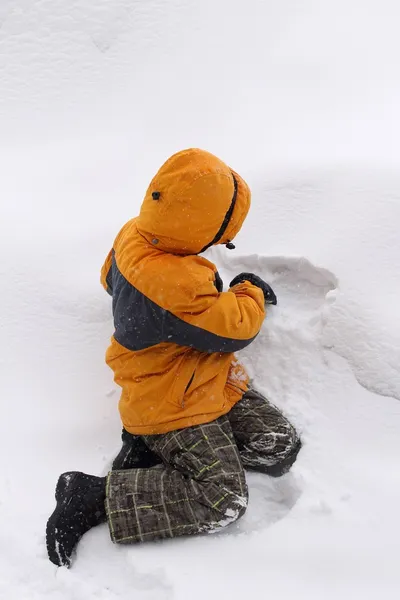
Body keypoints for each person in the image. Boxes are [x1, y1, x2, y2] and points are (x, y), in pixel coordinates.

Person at [46, 148, 301, 568]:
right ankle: (95, 496)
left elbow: (108, 275)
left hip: (199, 376)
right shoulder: (175, 283)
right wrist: (249, 290)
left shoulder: (134, 234)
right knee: (222, 499)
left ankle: (158, 456)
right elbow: (235, 328)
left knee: (277, 447)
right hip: (171, 400)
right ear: (203, 224)